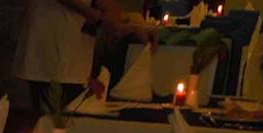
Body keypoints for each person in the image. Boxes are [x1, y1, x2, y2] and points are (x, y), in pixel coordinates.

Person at [11, 0, 155, 114]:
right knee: (50, 124)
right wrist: (99, 18)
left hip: (76, 56)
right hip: (51, 50)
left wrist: (128, 21)